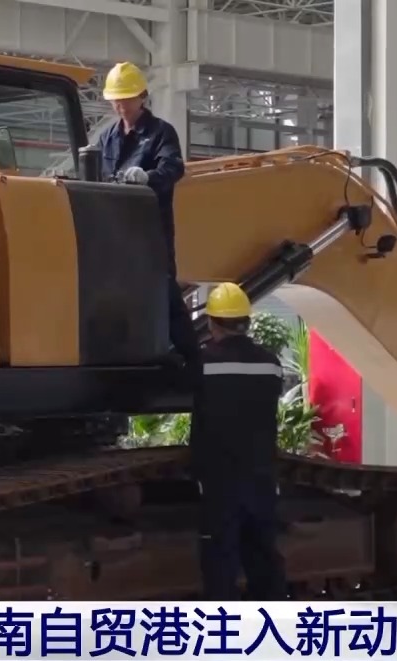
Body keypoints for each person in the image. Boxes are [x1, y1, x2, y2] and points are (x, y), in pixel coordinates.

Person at [96, 61, 199, 368]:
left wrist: (148, 177)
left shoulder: (160, 133)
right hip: (115, 232)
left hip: (151, 233)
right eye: (115, 100)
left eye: (125, 99)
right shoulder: (107, 137)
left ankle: (191, 363)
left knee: (163, 294)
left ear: (142, 96)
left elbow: (173, 168)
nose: (120, 106)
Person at [189, 283, 288, 600]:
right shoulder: (271, 363)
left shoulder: (203, 364)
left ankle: (224, 624)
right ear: (246, 321)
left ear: (212, 323)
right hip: (261, 475)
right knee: (264, 556)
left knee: (221, 561)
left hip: (221, 480)